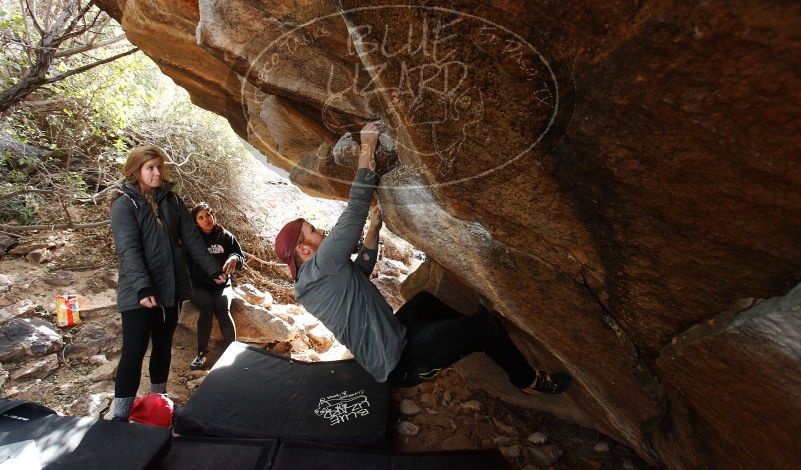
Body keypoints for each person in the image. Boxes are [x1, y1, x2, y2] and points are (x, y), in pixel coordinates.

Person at [275, 122, 570, 394]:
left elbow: (360, 273)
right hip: (401, 364)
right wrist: (367, 146)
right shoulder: (321, 265)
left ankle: (467, 340)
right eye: (312, 231)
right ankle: (526, 380)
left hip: (396, 336)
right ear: (304, 250)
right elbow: (354, 211)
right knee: (486, 326)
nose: (321, 231)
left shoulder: (314, 280)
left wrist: (373, 231)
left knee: (425, 303)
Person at [110, 145, 224, 421]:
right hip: (139, 291)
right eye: (150, 167)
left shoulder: (172, 201)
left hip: (170, 286)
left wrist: (212, 270)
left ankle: (158, 403)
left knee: (163, 344)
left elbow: (192, 239)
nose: (157, 172)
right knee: (134, 351)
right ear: (136, 171)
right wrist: (142, 287)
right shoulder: (124, 204)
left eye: (159, 166)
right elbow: (129, 249)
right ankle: (120, 416)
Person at [188, 202, 244, 369]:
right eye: (201, 217)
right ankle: (201, 354)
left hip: (222, 284)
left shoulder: (225, 236)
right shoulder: (193, 240)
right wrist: (209, 277)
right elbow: (188, 268)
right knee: (207, 306)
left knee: (222, 307)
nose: (206, 219)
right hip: (199, 285)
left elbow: (239, 256)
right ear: (196, 221)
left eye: (208, 215)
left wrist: (234, 258)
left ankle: (231, 353)